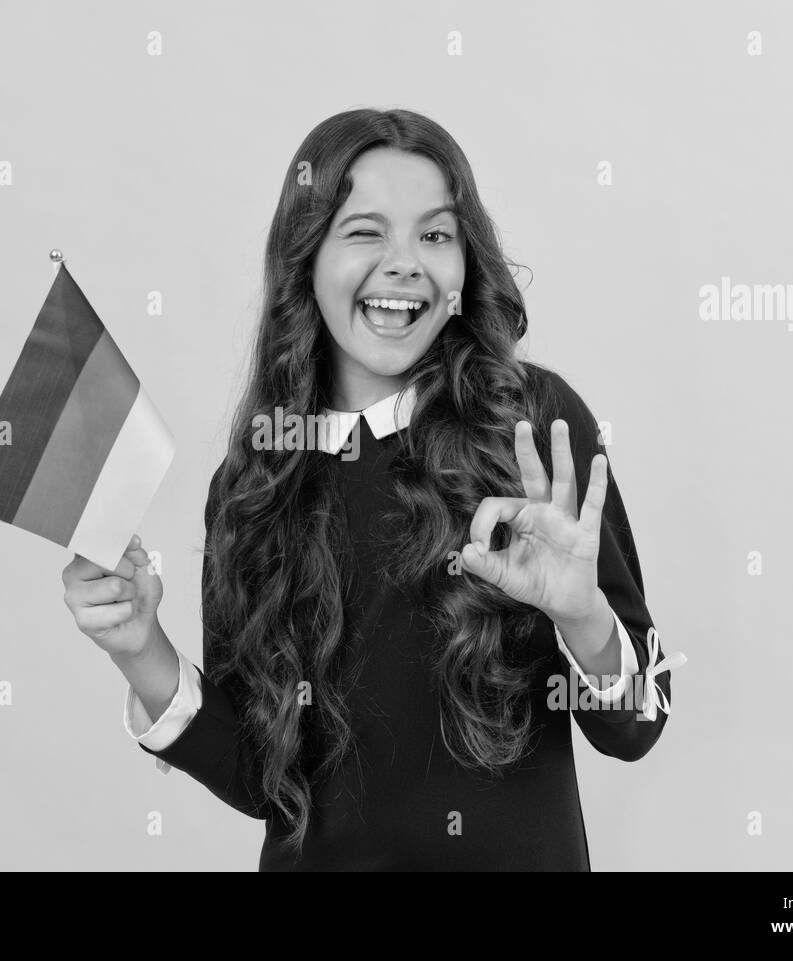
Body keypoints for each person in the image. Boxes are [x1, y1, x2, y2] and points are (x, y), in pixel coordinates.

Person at [62, 107, 682, 871]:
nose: (404, 263)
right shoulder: (256, 478)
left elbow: (638, 725)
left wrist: (582, 617)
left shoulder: (530, 425)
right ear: (307, 259)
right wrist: (140, 650)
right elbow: (265, 779)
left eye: (434, 234)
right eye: (364, 232)